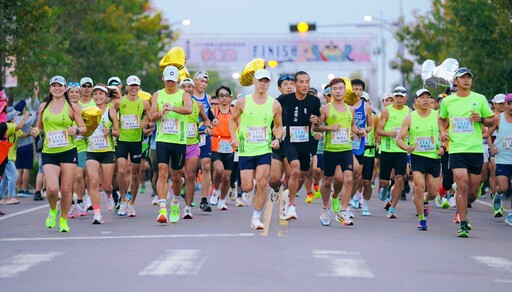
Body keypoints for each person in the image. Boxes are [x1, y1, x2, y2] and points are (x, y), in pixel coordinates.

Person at [438, 67, 494, 237]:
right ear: (456, 81)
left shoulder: (480, 99)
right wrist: (442, 131)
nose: (466, 80)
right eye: (462, 78)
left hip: (475, 149)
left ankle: (464, 211)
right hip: (456, 149)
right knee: (462, 184)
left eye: (469, 77)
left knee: (472, 191)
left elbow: (491, 121)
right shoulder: (448, 102)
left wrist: (481, 119)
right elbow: (441, 119)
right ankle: (462, 223)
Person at [30, 76, 86, 233]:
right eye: (54, 86)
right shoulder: (43, 106)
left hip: (68, 151)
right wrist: (36, 131)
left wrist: (75, 130)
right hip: (49, 152)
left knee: (67, 189)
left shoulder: (72, 107)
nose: (57, 88)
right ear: (50, 89)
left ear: (65, 88)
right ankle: (53, 209)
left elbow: (83, 128)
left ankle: (63, 219)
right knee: (52, 189)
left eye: (60, 86)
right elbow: (40, 127)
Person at [229, 69, 283, 230]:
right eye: (260, 80)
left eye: (266, 81)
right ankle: (247, 188)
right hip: (246, 149)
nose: (263, 84)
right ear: (254, 81)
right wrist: (234, 137)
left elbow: (279, 125)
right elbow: (233, 120)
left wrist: (277, 138)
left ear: (269, 83)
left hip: (264, 149)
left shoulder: (274, 104)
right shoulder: (243, 102)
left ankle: (256, 217)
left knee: (262, 183)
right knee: (246, 187)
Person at [313, 78, 365, 226]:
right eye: (334, 89)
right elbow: (316, 128)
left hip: (346, 149)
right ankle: (325, 209)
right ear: (331, 91)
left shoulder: (351, 109)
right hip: (330, 150)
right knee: (328, 181)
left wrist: (359, 131)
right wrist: (329, 128)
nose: (337, 91)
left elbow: (352, 126)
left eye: (340, 88)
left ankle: (343, 211)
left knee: (348, 178)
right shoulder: (325, 109)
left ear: (345, 90)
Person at [150, 66, 193, 224]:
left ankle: (175, 203)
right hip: (162, 139)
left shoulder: (183, 95)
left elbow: (189, 109)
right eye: (168, 80)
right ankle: (162, 210)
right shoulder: (157, 94)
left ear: (177, 81)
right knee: (162, 172)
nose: (170, 83)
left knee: (176, 175)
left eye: (173, 81)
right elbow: (151, 116)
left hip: (179, 141)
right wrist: (161, 113)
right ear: (163, 78)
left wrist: (172, 108)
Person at [397, 89, 444, 231]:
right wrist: (407, 148)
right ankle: (422, 219)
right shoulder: (410, 118)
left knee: (433, 191)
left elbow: (445, 134)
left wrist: (442, 147)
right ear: (416, 101)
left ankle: (424, 199)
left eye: (428, 97)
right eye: (422, 97)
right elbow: (399, 139)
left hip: (434, 157)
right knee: (418, 185)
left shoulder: (438, 116)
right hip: (417, 156)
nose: (425, 100)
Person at [277, 71, 321, 221]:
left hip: (306, 142)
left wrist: (316, 122)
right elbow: (272, 109)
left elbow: (317, 123)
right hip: (290, 141)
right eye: (301, 82)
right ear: (295, 84)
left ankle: (288, 194)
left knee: (302, 175)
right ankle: (292, 206)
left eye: (307, 82)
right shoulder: (285, 99)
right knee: (294, 169)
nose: (304, 85)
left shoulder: (314, 101)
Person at [112, 75, 151, 217]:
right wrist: (115, 126)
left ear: (139, 87)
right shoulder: (119, 102)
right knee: (122, 171)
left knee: (134, 174)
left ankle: (132, 203)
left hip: (136, 142)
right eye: (131, 85)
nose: (134, 88)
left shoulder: (144, 103)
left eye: (136, 85)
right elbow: (111, 113)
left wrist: (145, 122)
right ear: (127, 87)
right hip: (122, 141)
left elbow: (150, 118)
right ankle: (123, 200)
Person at [376, 86, 412, 219]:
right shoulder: (386, 111)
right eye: (396, 96)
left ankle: (392, 208)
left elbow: (413, 129)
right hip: (387, 150)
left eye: (401, 97)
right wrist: (388, 133)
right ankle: (385, 188)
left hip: (401, 150)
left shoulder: (409, 112)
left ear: (405, 98)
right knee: (385, 181)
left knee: (400, 178)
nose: (398, 99)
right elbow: (378, 130)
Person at [85, 84, 119, 224]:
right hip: (91, 151)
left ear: (106, 97)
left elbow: (118, 132)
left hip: (107, 151)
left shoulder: (111, 112)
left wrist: (110, 132)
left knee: (106, 185)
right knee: (93, 182)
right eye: (95, 94)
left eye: (101, 94)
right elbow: (82, 129)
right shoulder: (87, 111)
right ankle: (97, 215)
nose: (98, 96)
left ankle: (109, 194)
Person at [180, 78, 210, 218]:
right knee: (177, 175)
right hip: (176, 144)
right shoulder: (174, 104)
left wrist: (207, 126)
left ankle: (187, 208)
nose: (187, 89)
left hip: (192, 144)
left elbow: (205, 119)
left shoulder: (198, 105)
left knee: (190, 176)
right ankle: (177, 195)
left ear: (193, 89)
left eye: (189, 87)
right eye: (184, 87)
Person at [268, 74, 294, 204]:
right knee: (274, 179)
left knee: (292, 178)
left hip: (293, 146)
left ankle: (289, 205)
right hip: (277, 145)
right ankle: (276, 190)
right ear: (279, 88)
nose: (289, 87)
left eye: (291, 84)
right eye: (286, 85)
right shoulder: (274, 103)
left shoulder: (300, 103)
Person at [487, 93, 512, 225]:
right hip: (502, 157)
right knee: (503, 186)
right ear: (506, 105)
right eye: (509, 103)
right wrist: (491, 147)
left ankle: (511, 215)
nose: (511, 106)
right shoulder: (498, 118)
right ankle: (497, 195)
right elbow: (488, 134)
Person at [192, 71, 214, 212]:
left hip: (204, 136)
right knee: (190, 168)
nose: (203, 84)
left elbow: (209, 115)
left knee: (206, 166)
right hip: (189, 136)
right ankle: (184, 188)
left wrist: (211, 124)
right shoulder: (187, 96)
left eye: (205, 82)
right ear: (195, 81)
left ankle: (204, 199)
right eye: (201, 81)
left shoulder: (208, 97)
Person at [349, 79, 373, 210]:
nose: (357, 92)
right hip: (344, 144)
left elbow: (370, 126)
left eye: (360, 90)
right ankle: (342, 199)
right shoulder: (345, 104)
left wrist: (364, 130)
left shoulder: (366, 107)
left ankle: (347, 202)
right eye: (355, 89)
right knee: (348, 174)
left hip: (359, 145)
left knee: (357, 176)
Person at [210, 86, 235, 210]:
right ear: (218, 98)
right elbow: (205, 123)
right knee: (219, 170)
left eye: (226, 95)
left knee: (227, 176)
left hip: (230, 145)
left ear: (230, 98)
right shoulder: (213, 111)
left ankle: (222, 200)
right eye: (221, 95)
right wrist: (209, 128)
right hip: (216, 144)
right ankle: (215, 189)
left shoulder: (234, 111)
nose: (224, 98)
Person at [66, 82, 88, 218]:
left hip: (82, 146)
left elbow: (89, 129)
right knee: (69, 178)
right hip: (67, 146)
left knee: (79, 176)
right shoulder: (63, 109)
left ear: (80, 94)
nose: (74, 94)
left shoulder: (84, 110)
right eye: (71, 92)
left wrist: (79, 131)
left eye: (76, 92)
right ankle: (69, 204)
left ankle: (80, 200)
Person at [0, 107, 28, 204]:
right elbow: (19, 127)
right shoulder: (8, 126)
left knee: (4, 178)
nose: (16, 117)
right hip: (6, 156)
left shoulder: (13, 126)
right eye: (14, 116)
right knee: (13, 175)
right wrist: (25, 117)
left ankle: (1, 197)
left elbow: (21, 134)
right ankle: (11, 197)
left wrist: (30, 133)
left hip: (10, 156)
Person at [13, 100, 36, 196]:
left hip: (17, 147)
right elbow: (36, 111)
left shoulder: (13, 120)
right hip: (27, 146)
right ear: (23, 109)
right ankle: (24, 189)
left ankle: (18, 189)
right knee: (26, 168)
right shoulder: (26, 119)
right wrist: (36, 97)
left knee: (19, 168)